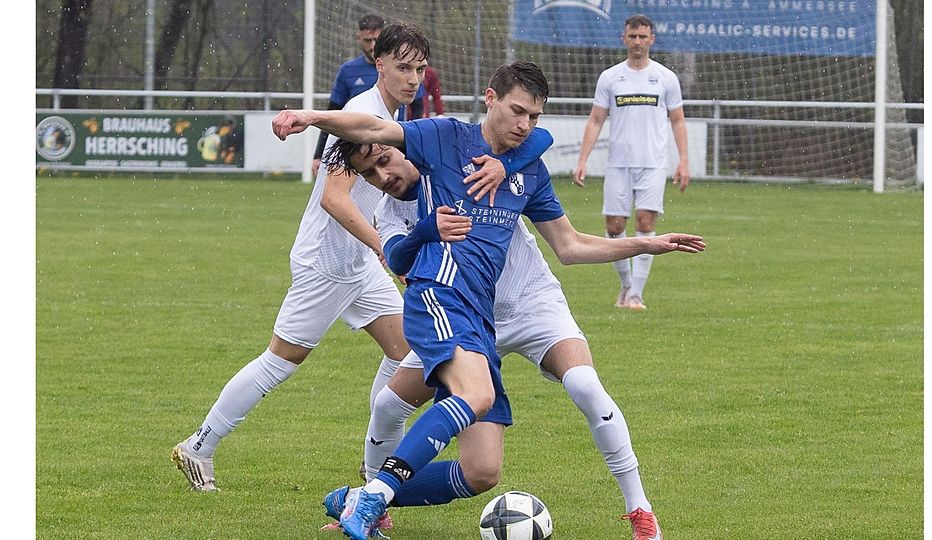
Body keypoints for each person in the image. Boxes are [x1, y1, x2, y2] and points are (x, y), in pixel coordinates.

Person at [271, 60, 705, 540]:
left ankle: (641, 513)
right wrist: (312, 117)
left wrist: (645, 243)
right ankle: (373, 500)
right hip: (458, 309)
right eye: (516, 111)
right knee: (389, 404)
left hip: (526, 304)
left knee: (569, 399)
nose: (385, 172)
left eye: (531, 116)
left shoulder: (518, 162)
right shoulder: (424, 164)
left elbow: (570, 245)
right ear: (490, 98)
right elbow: (391, 236)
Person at [169, 22, 433, 495]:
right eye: (402, 68)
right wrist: (383, 246)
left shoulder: (394, 114)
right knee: (281, 361)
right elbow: (335, 197)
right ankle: (199, 445)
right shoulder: (361, 112)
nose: (413, 78)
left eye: (419, 68)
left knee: (409, 354)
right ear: (380, 65)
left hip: (357, 263)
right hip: (327, 263)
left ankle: (375, 466)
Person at [573, 14, 691, 311]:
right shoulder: (611, 77)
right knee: (614, 227)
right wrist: (582, 159)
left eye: (643, 36)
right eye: (633, 36)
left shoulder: (665, 77)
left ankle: (637, 294)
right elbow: (597, 119)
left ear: (652, 39)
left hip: (652, 163)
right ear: (623, 39)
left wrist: (683, 161)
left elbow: (677, 121)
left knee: (645, 222)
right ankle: (625, 287)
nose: (637, 42)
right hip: (618, 164)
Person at [312, 13, 424, 176]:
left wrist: (413, 145)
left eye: (376, 40)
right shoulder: (352, 81)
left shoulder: (401, 91)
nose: (372, 46)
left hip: (394, 145)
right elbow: (333, 112)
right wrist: (318, 154)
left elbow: (418, 110)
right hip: (358, 145)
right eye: (367, 40)